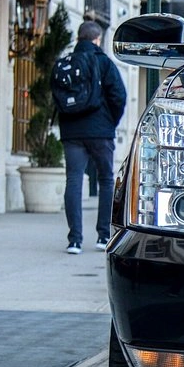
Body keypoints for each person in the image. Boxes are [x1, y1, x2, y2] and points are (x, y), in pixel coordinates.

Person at [60, 21, 127, 253]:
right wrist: (110, 122)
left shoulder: (67, 62)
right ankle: (102, 236)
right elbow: (119, 95)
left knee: (74, 180)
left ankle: (75, 240)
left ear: (79, 38)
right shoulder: (104, 62)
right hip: (101, 132)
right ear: (97, 39)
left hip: (72, 132)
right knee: (106, 180)